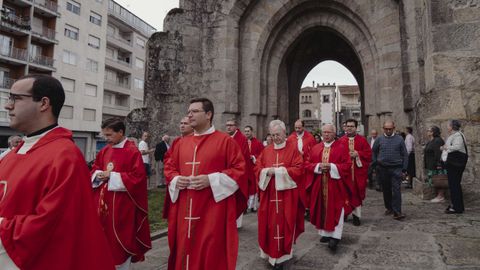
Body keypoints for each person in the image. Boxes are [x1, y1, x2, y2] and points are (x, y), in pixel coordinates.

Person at [0, 75, 115, 269]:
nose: (8, 106)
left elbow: (51, 226)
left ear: (44, 103)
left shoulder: (65, 157)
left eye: (16, 98)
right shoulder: (11, 155)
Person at [163, 98, 248, 270]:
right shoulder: (181, 143)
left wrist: (211, 180)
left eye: (194, 111)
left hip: (212, 213)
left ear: (208, 115)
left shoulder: (225, 141)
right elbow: (169, 167)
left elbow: (239, 171)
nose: (189, 115)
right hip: (184, 209)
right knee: (183, 250)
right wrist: (177, 179)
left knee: (209, 253)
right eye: (188, 112)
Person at [91, 118, 151, 269]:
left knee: (120, 240)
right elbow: (96, 167)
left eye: (109, 135)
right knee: (101, 240)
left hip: (123, 205)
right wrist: (98, 174)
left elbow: (138, 178)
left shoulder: (132, 151)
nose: (106, 138)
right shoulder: (105, 150)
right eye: (105, 135)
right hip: (103, 203)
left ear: (121, 132)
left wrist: (112, 176)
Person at [255, 120, 304, 269]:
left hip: (286, 197)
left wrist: (277, 171)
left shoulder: (293, 150)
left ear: (284, 133)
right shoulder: (266, 151)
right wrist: (265, 172)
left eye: (278, 134)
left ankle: (282, 256)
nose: (275, 137)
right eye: (272, 135)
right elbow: (257, 168)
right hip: (269, 196)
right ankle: (270, 254)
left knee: (285, 224)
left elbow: (299, 169)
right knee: (268, 224)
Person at [305, 124, 351, 252]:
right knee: (321, 208)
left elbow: (347, 165)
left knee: (336, 210)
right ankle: (325, 234)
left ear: (334, 133)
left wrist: (332, 167)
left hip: (335, 186)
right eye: (324, 132)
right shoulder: (315, 148)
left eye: (329, 132)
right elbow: (307, 164)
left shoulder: (341, 148)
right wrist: (319, 166)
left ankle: (335, 237)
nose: (326, 135)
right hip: (319, 184)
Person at [372, 120, 408, 220]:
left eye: (390, 129)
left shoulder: (399, 139)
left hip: (396, 168)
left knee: (396, 189)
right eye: (386, 129)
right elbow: (374, 151)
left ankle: (397, 212)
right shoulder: (379, 139)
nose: (388, 131)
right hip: (383, 168)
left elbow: (405, 154)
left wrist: (404, 169)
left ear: (393, 128)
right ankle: (389, 207)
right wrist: (375, 163)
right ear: (383, 129)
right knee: (386, 189)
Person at [338, 119, 372, 226]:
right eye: (347, 126)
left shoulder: (362, 140)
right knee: (344, 194)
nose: (349, 128)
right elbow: (336, 156)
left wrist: (358, 154)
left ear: (356, 128)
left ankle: (356, 216)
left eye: (352, 126)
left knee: (356, 194)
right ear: (345, 127)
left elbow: (368, 155)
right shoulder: (340, 141)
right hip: (345, 175)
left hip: (357, 174)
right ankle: (344, 214)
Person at [226, 118, 252, 226]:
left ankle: (237, 223)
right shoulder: (225, 137)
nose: (228, 127)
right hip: (227, 173)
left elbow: (243, 157)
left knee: (237, 197)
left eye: (231, 125)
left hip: (238, 173)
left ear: (236, 126)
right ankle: (229, 220)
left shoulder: (242, 139)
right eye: (227, 125)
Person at [442, 120, 468, 214]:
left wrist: (446, 148)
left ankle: (457, 207)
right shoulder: (454, 135)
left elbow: (457, 147)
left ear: (452, 127)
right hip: (453, 164)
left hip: (455, 164)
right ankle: (456, 205)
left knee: (454, 185)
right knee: (454, 185)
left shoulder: (457, 135)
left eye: (448, 125)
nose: (447, 127)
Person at [244, 125, 265, 212]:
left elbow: (262, 155)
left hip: (253, 167)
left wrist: (254, 157)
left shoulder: (258, 143)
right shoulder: (243, 142)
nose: (246, 133)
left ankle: (252, 206)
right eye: (245, 131)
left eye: (248, 131)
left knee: (253, 187)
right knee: (246, 186)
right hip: (245, 168)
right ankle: (246, 205)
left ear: (252, 132)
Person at [424, 126, 445, 202]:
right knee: (435, 180)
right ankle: (438, 195)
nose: (427, 131)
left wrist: (439, 164)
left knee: (439, 180)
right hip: (431, 164)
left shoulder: (437, 141)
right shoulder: (431, 141)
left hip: (436, 165)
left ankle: (441, 196)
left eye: (429, 130)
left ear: (433, 132)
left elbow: (438, 153)